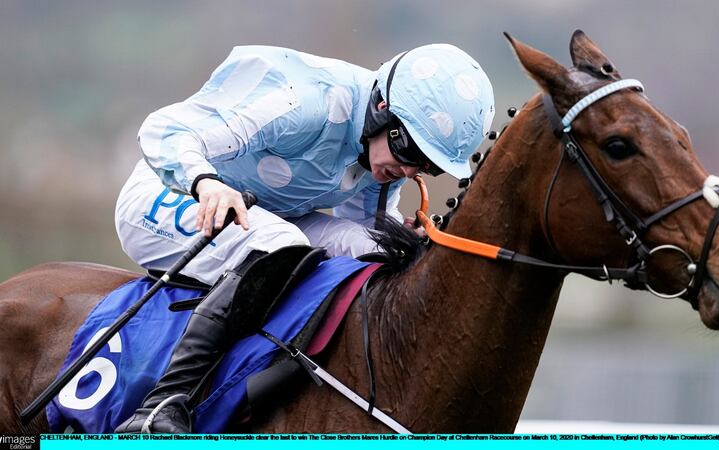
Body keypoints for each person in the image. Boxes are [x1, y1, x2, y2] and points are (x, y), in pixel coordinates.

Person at [113, 43, 494, 433]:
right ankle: (160, 407)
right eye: (409, 148)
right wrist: (205, 181)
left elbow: (367, 226)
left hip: (265, 217)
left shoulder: (379, 152)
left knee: (384, 252)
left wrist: (403, 238)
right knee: (280, 241)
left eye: (427, 165)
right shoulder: (305, 106)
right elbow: (163, 129)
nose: (408, 168)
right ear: (382, 108)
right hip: (167, 193)